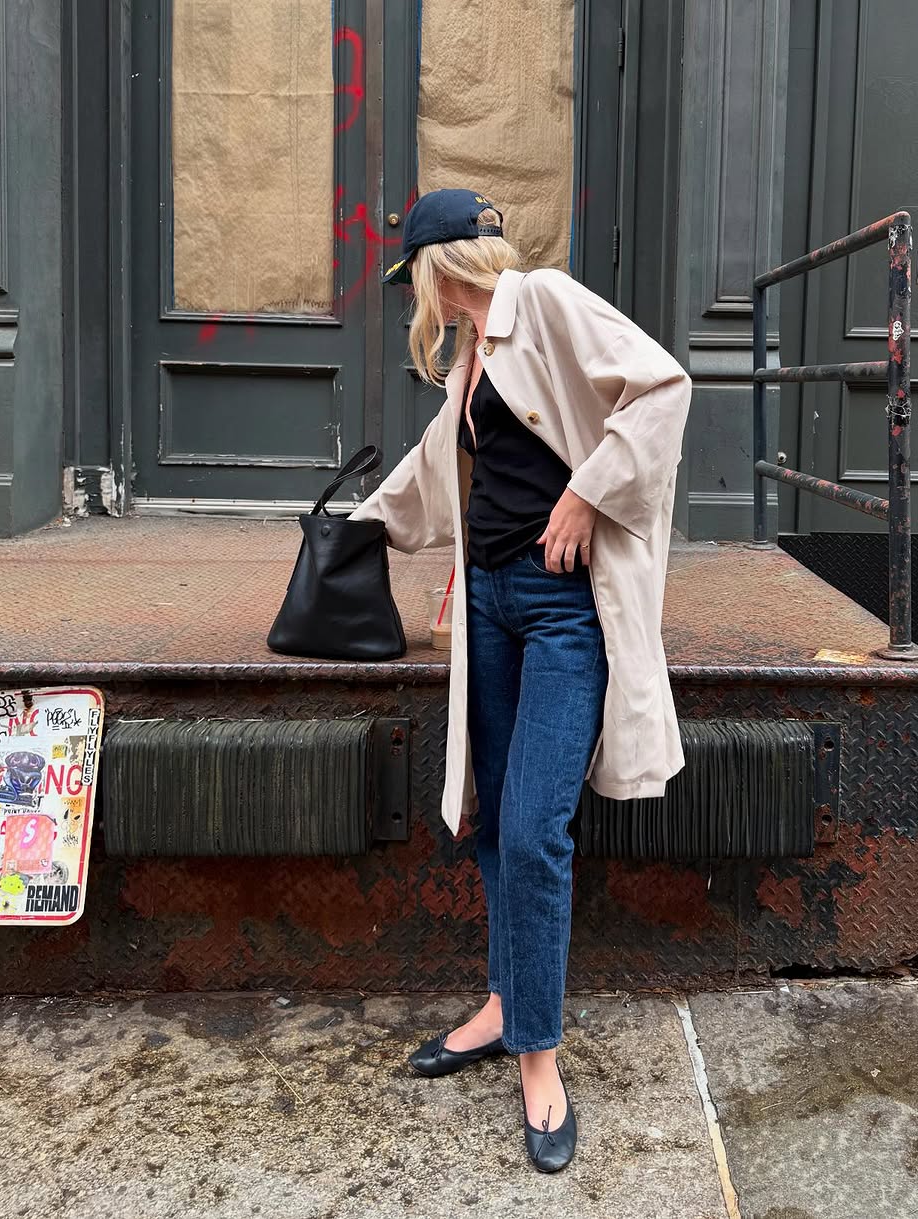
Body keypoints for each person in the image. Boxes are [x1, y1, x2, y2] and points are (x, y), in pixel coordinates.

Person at [349, 189, 691, 1172]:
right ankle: (505, 1002)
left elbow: (662, 388)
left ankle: (538, 1056)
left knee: (537, 828)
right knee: (495, 819)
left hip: (560, 608)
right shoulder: (473, 352)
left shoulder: (541, 301)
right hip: (489, 603)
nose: (417, 299)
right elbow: (432, 472)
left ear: (437, 268)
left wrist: (588, 491)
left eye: (415, 281)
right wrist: (350, 531)